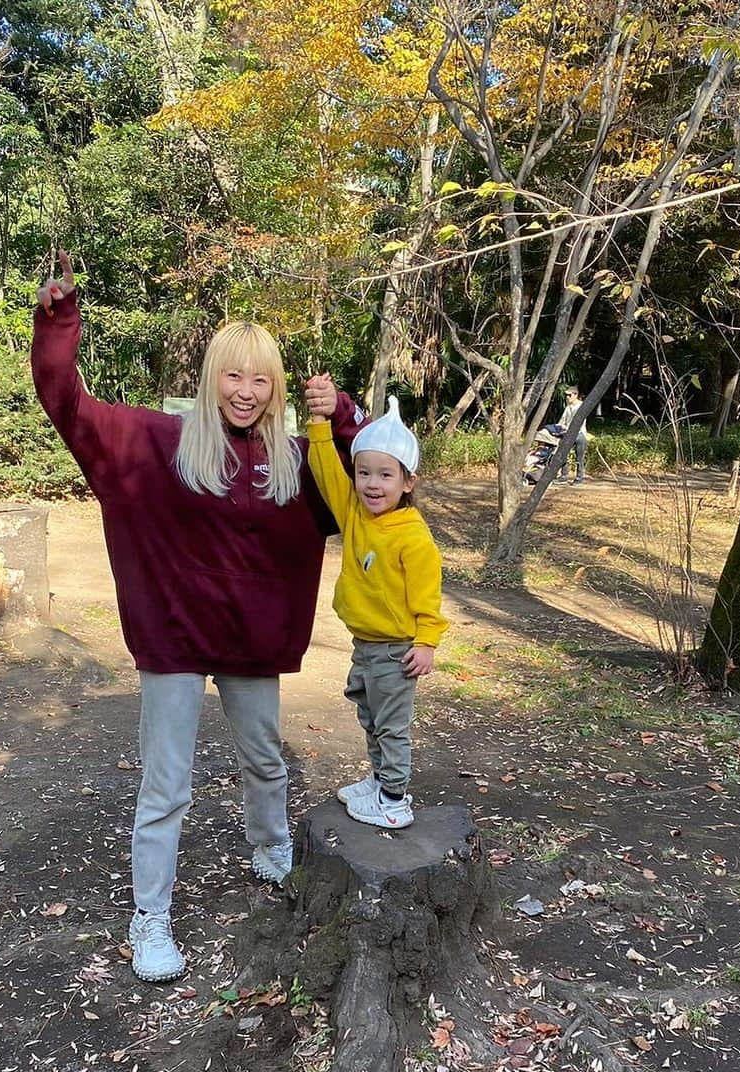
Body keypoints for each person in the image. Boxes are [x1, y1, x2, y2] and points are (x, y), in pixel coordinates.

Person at [32, 251, 364, 983]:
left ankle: (272, 851)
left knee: (265, 761)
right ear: (211, 375)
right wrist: (59, 320)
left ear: (276, 386)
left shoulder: (295, 460)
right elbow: (68, 403)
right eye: (232, 374)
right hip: (176, 638)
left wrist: (339, 412)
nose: (246, 392)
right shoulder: (161, 442)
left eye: (261, 378)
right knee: (167, 783)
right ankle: (150, 917)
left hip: (250, 643)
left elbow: (378, 470)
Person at [305, 396, 447, 829]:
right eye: (364, 472)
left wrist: (426, 642)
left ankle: (394, 799)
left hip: (396, 649)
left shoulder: (412, 536)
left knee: (392, 725)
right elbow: (328, 471)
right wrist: (319, 424)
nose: (372, 483)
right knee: (369, 715)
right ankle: (379, 778)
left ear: (408, 482)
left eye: (385, 474)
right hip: (364, 644)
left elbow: (428, 595)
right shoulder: (356, 513)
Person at [556, 386, 589, 484]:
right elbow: (562, 421)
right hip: (568, 434)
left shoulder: (581, 406)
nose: (567, 397)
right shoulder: (568, 407)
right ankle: (564, 475)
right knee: (563, 454)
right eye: (566, 395)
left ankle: (579, 478)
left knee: (579, 457)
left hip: (579, 434)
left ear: (575, 395)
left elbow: (579, 422)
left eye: (569, 395)